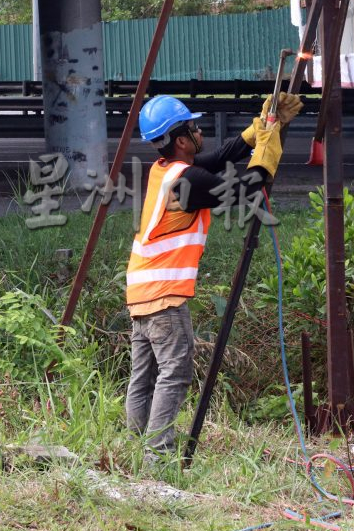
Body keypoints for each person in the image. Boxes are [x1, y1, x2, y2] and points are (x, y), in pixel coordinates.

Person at [125, 92, 303, 456]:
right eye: (193, 127)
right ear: (180, 139)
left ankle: (135, 448)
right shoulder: (187, 183)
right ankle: (157, 455)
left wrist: (262, 126)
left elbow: (223, 155)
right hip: (164, 296)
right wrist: (268, 148)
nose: (199, 130)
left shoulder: (166, 170)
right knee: (174, 373)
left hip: (141, 296)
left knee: (143, 378)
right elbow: (248, 187)